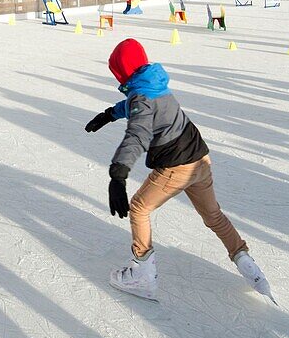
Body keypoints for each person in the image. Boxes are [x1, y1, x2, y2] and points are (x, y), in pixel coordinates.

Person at [85, 38, 274, 303]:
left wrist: (118, 174)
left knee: (139, 208)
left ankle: (142, 274)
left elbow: (138, 133)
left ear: (121, 71)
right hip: (200, 158)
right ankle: (244, 260)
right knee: (213, 215)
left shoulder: (141, 97)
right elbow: (140, 106)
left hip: (177, 166)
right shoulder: (155, 84)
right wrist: (109, 114)